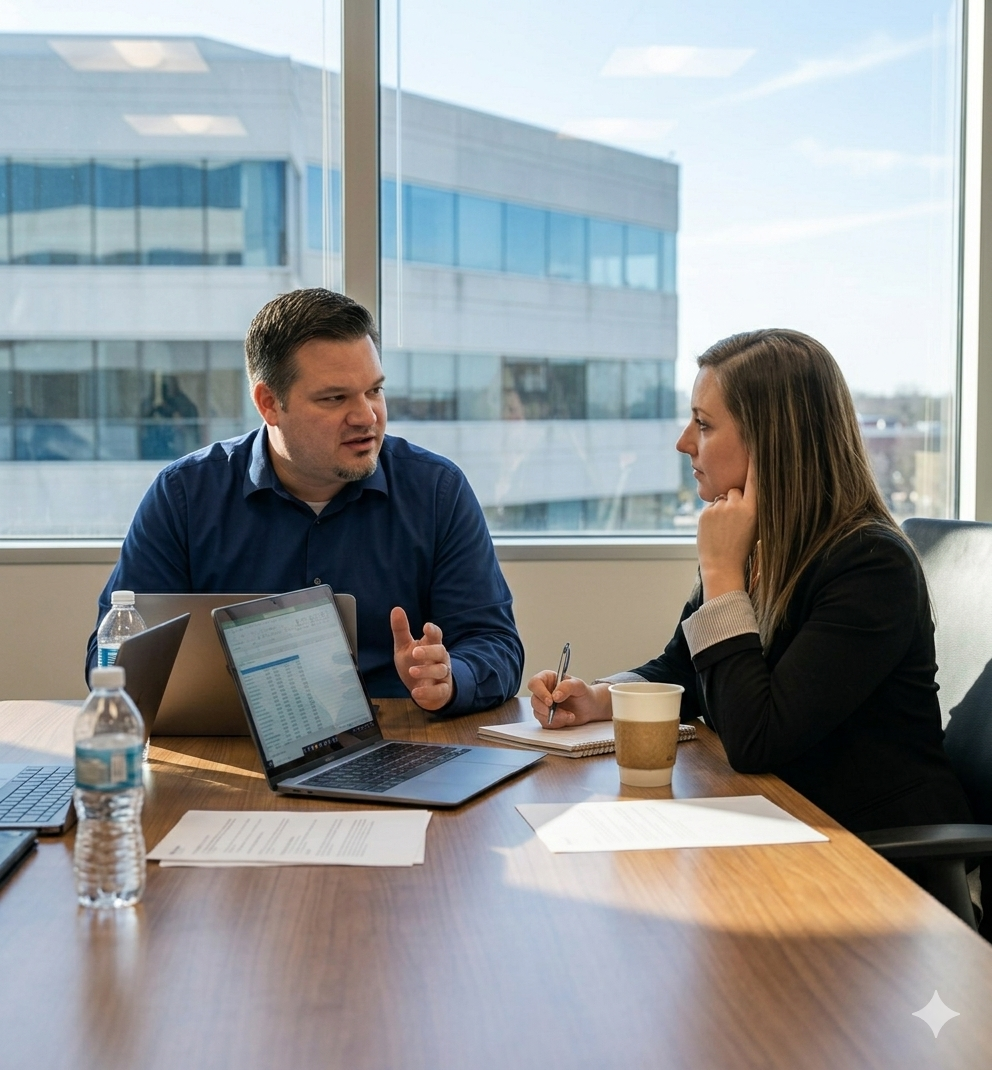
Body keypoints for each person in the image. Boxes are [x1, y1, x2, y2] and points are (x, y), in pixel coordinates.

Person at [529, 329, 972, 834]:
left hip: (875, 857)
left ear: (770, 442)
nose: (683, 442)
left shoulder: (870, 565)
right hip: (782, 821)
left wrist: (721, 575)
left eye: (703, 424)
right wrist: (600, 699)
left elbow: (757, 740)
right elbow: (684, 669)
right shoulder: (758, 544)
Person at [87, 288, 524, 714]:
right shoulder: (184, 495)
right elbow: (111, 656)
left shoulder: (436, 491)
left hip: (400, 738)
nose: (367, 417)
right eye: (335, 398)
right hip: (231, 750)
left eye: (374, 390)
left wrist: (450, 679)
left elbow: (496, 644)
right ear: (269, 403)